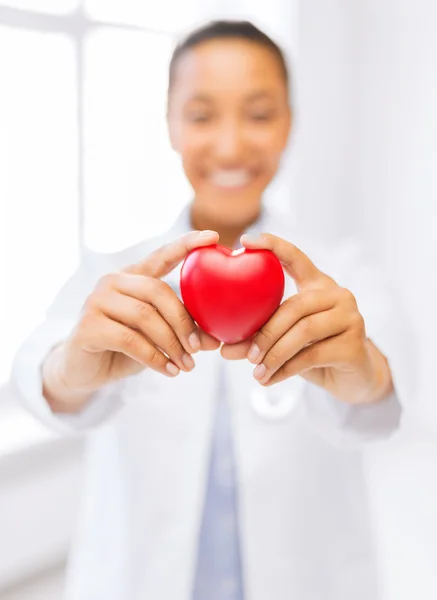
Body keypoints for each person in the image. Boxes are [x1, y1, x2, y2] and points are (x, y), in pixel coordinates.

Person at [9, 20, 412, 600]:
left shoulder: (343, 275)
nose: (229, 146)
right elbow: (39, 373)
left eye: (258, 113)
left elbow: (394, 398)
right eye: (201, 115)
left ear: (289, 123)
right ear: (170, 124)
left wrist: (367, 372)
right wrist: (69, 365)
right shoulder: (115, 274)